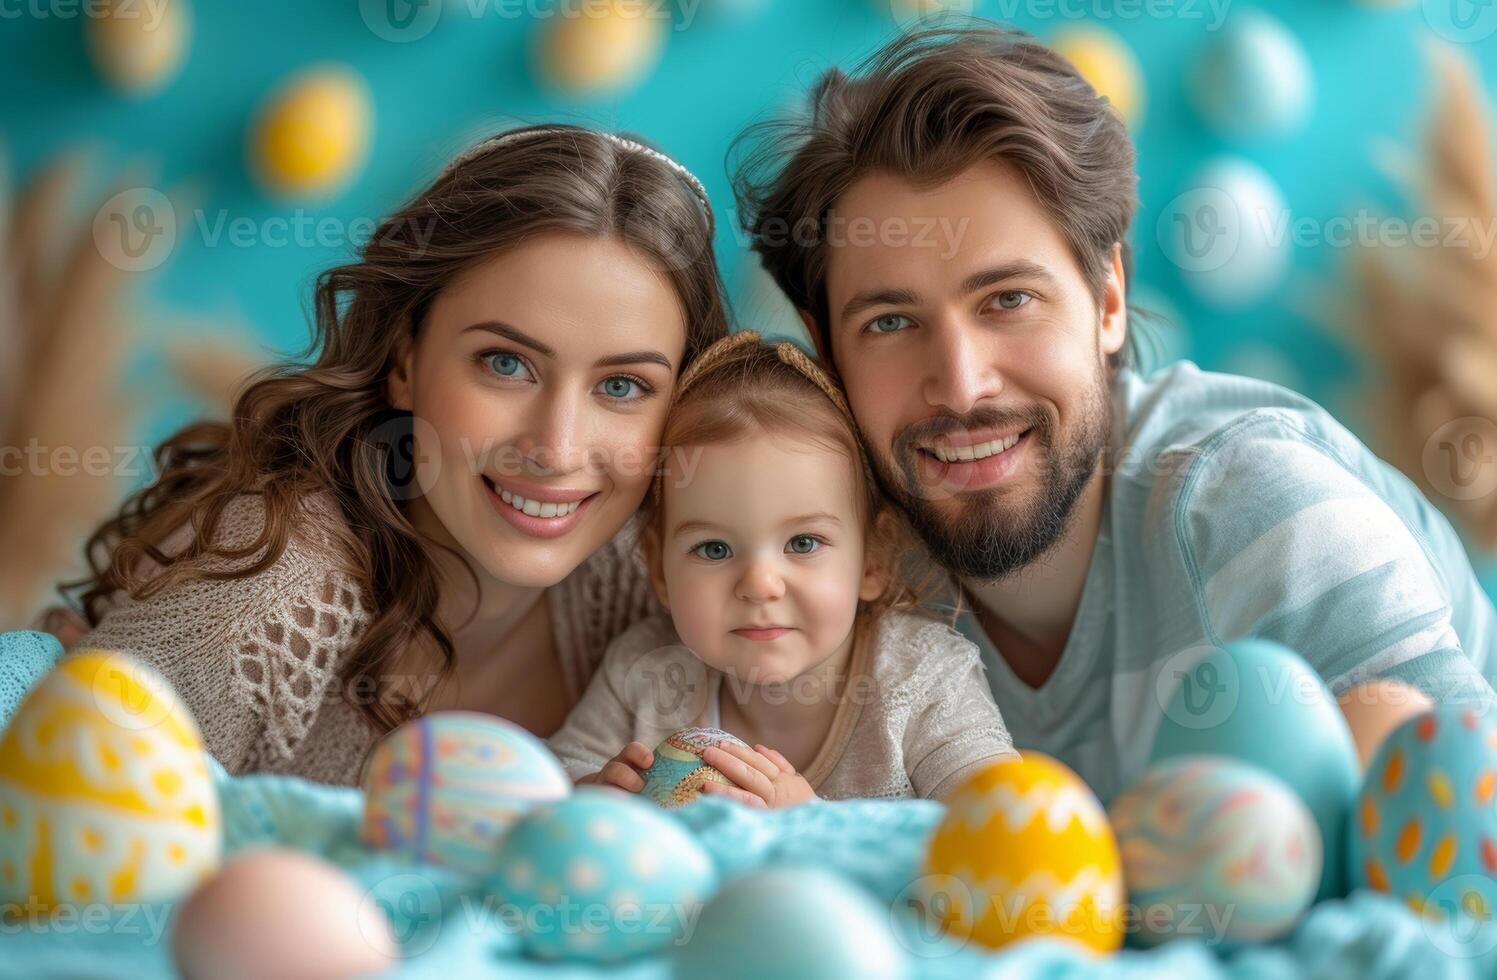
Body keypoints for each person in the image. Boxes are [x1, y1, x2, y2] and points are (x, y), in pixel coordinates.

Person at [731, 25, 1497, 803]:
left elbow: (1467, 842)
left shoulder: (1256, 506)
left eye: (1008, 300)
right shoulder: (835, 571)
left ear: (1107, 301)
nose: (960, 387)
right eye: (890, 323)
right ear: (825, 350)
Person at [35, 124, 731, 785]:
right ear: (404, 360)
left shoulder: (666, 583)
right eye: (505, 363)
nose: (556, 447)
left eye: (621, 386)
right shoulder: (260, 607)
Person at [547, 331, 1015, 807]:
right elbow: (546, 779)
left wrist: (813, 826)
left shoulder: (922, 679)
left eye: (803, 542)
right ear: (660, 569)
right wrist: (592, 792)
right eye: (713, 549)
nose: (759, 585)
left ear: (873, 559)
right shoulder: (645, 672)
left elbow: (999, 826)